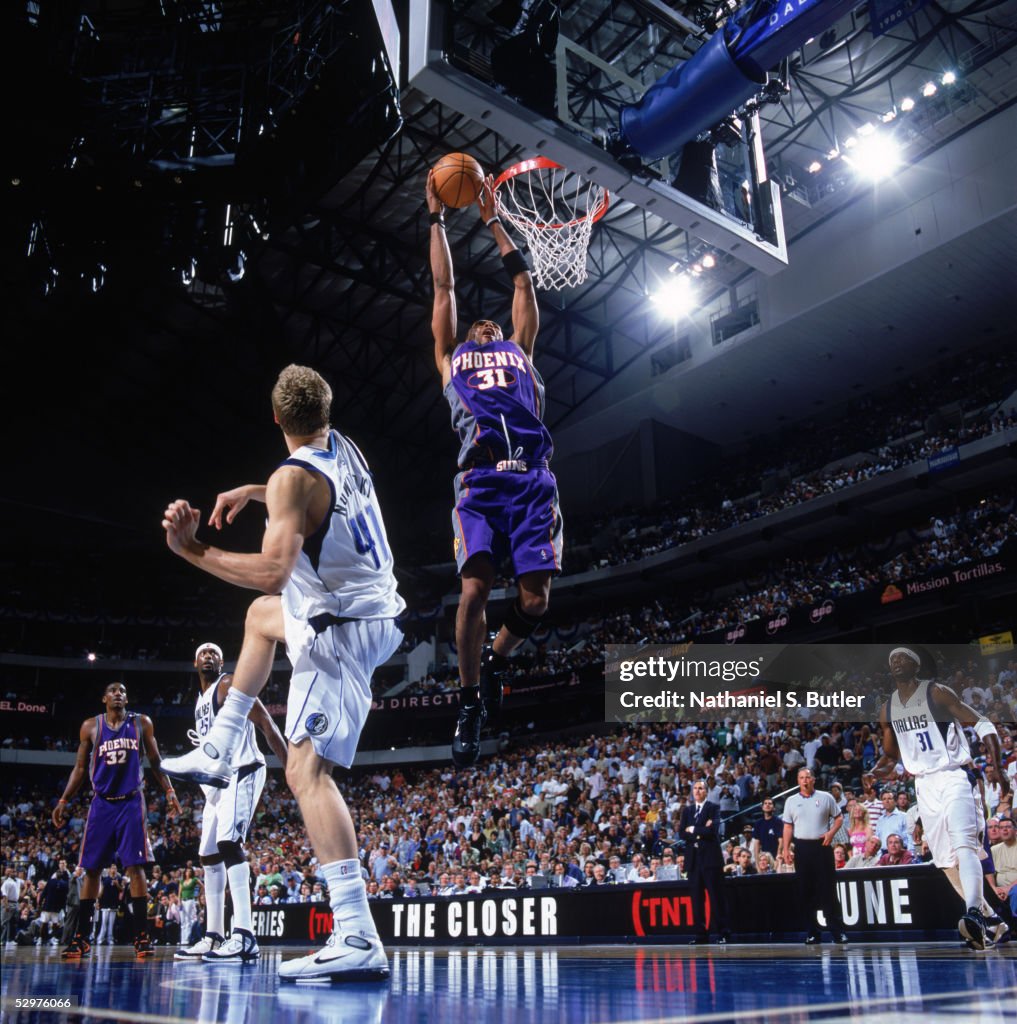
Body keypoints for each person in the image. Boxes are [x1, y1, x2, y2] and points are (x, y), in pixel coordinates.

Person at [158, 364, 404, 983]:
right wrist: (254, 490)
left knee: (304, 771)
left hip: (338, 629)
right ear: (325, 410)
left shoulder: (292, 477)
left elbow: (272, 567)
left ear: (275, 419)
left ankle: (355, 934)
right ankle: (219, 743)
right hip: (373, 607)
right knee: (263, 618)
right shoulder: (344, 447)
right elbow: (303, 495)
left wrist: (194, 551)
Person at [427, 170, 563, 767]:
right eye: (477, 323)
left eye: (493, 322)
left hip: (531, 479)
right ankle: (468, 700)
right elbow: (442, 288)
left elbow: (524, 283)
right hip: (480, 483)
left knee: (535, 603)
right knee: (476, 589)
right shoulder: (451, 357)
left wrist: (491, 220)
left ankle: (496, 661)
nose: (485, 324)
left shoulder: (520, 350)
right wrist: (435, 218)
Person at [873, 646, 1010, 950]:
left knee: (965, 846)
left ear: (916, 665)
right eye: (892, 659)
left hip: (954, 777)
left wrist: (997, 767)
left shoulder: (937, 693)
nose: (896, 662)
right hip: (924, 786)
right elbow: (890, 755)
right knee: (946, 862)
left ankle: (973, 911)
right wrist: (876, 772)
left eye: (903, 657)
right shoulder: (888, 709)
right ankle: (991, 922)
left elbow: (983, 722)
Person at [174, 642, 288, 965]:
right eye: (203, 653)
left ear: (221, 663)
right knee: (208, 855)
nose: (209, 656)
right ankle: (214, 935)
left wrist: (289, 766)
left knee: (228, 843)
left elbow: (265, 721)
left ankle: (245, 934)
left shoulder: (227, 685)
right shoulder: (200, 702)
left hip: (244, 770)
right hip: (218, 785)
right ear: (195, 662)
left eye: (215, 654)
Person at [52, 681, 181, 960]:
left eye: (123, 691)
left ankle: (141, 937)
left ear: (127, 699)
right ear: (104, 698)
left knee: (136, 868)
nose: (119, 694)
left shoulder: (141, 723)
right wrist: (63, 800)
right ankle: (81, 938)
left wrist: (169, 790)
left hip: (131, 802)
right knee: (92, 869)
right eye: (113, 691)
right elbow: (79, 768)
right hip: (102, 804)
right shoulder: (90, 726)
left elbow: (157, 761)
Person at [781, 767, 848, 945]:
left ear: (813, 780)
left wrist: (831, 833)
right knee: (805, 891)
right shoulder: (791, 801)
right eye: (801, 777)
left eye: (808, 777)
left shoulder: (826, 797)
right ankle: (812, 932)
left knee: (828, 890)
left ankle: (837, 932)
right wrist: (786, 849)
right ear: (798, 781)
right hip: (802, 847)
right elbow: (788, 827)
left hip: (822, 846)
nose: (805, 780)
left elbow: (839, 817)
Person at [678, 781, 730, 944]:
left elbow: (712, 830)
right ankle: (701, 935)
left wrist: (692, 829)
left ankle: (723, 933)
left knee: (716, 898)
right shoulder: (687, 810)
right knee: (696, 900)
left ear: (706, 792)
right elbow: (681, 833)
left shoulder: (713, 807)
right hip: (693, 861)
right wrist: (701, 830)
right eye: (695, 788)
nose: (697, 791)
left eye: (700, 788)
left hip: (710, 860)